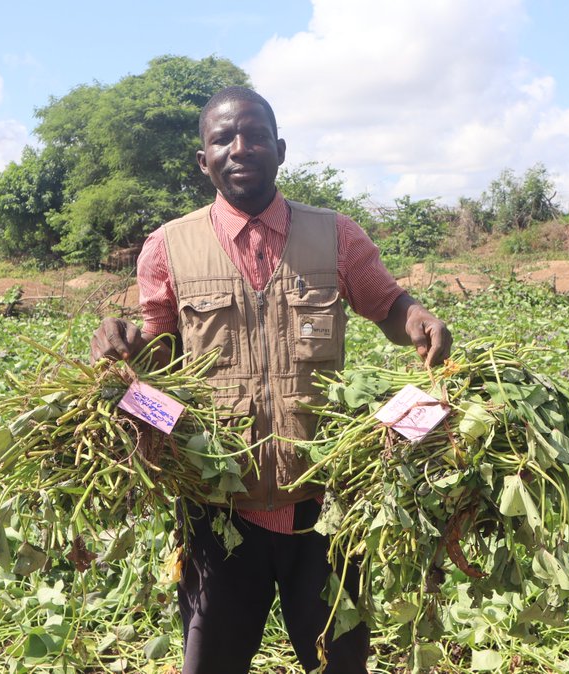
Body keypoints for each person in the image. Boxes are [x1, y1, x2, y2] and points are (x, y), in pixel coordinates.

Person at [91, 85, 451, 674]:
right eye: (223, 139)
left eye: (255, 135)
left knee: (341, 664)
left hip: (324, 501)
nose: (241, 148)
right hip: (217, 505)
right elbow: (158, 351)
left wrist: (417, 318)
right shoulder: (167, 248)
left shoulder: (335, 234)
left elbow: (387, 304)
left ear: (280, 149)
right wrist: (123, 346)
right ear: (202, 159)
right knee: (213, 665)